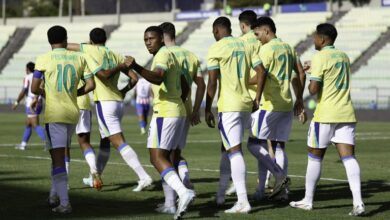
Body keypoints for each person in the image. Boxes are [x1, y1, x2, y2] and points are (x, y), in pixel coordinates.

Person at [290, 23, 365, 216]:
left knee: (315, 156)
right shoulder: (344, 56)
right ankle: (358, 203)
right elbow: (331, 74)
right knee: (348, 158)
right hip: (346, 113)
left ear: (322, 39)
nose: (313, 40)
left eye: (315, 37)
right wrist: (313, 68)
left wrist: (310, 80)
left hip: (326, 114)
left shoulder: (320, 56)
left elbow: (314, 89)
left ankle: (308, 200)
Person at [67, 28, 153, 192]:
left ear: (91, 41)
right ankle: (95, 176)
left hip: (105, 102)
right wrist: (123, 91)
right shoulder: (115, 54)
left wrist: (80, 46)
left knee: (118, 141)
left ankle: (143, 176)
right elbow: (134, 78)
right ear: (105, 39)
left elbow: (66, 46)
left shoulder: (89, 49)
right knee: (105, 141)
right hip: (118, 102)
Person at [126, 26, 195, 220]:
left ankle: (183, 193)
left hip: (165, 112)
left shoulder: (162, 55)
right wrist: (179, 99)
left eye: (152, 38)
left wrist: (136, 67)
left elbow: (158, 77)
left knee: (156, 157)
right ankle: (171, 204)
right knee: (168, 157)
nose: (148, 42)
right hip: (175, 111)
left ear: (161, 39)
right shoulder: (171, 55)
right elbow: (184, 83)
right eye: (145, 39)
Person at [205, 16, 271, 213]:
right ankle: (221, 195)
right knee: (229, 150)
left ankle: (243, 201)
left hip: (230, 106)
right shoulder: (244, 44)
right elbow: (261, 70)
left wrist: (207, 108)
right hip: (246, 104)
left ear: (216, 31)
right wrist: (257, 97)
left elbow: (212, 82)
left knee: (234, 151)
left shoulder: (216, 48)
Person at [31, 25, 98, 214]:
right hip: (73, 113)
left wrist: (45, 92)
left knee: (58, 159)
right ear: (66, 39)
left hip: (55, 114)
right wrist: (74, 93)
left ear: (49, 40)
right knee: (58, 158)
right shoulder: (79, 57)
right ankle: (53, 195)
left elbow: (34, 88)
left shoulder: (43, 58)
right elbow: (91, 84)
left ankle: (65, 203)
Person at [250, 16, 306, 200]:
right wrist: (299, 99)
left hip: (270, 104)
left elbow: (261, 74)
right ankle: (280, 192)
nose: (257, 37)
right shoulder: (288, 47)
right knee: (277, 146)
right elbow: (300, 72)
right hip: (286, 103)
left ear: (267, 30)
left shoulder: (266, 49)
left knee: (254, 144)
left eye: (258, 33)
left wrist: (245, 85)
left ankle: (279, 175)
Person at [156, 21, 206, 214]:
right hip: (185, 110)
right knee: (175, 153)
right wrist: (196, 110)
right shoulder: (191, 55)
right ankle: (184, 182)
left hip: (168, 109)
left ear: (161, 36)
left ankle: (170, 202)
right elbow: (200, 85)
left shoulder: (164, 55)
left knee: (163, 156)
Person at [75, 79, 102, 190]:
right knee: (85, 143)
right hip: (84, 103)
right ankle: (93, 171)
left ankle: (64, 183)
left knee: (64, 145)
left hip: (67, 103)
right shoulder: (84, 62)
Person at [13, 62, 46, 150]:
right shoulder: (39, 76)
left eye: (26, 68)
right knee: (28, 124)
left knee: (35, 124)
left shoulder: (28, 77)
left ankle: (48, 143)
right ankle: (23, 144)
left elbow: (24, 90)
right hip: (38, 100)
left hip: (32, 102)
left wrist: (17, 102)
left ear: (28, 69)